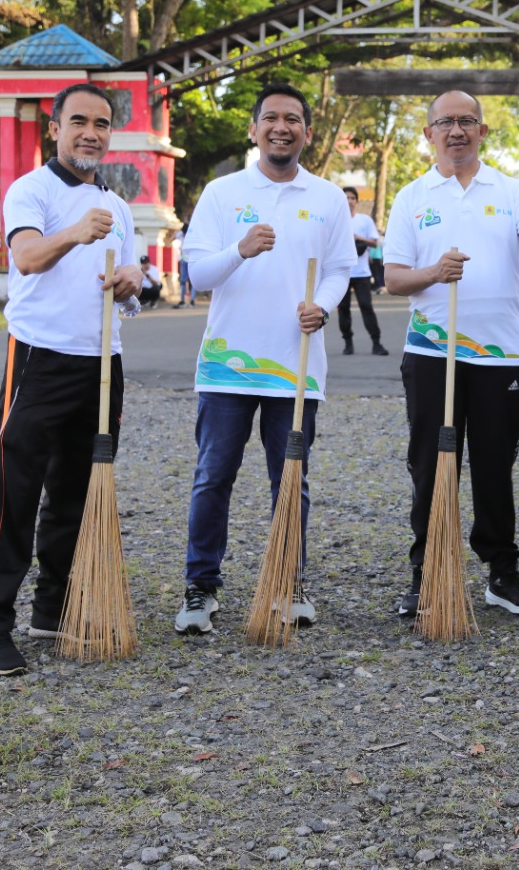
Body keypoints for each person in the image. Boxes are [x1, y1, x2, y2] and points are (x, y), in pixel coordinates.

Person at [0, 82, 143, 676]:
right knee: (16, 492)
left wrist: (131, 282)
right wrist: (74, 233)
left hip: (102, 362)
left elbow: (126, 284)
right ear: (56, 127)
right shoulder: (32, 190)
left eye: (101, 123)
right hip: (39, 358)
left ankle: (52, 609)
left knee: (76, 491)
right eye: (78, 122)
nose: (90, 132)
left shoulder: (116, 206)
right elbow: (28, 257)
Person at [174, 84, 355, 634]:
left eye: (293, 119)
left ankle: (288, 580)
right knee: (213, 477)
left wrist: (321, 309)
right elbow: (197, 274)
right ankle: (201, 587)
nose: (282, 127)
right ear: (253, 130)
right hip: (229, 365)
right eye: (271, 118)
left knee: (291, 479)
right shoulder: (223, 192)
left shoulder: (326, 197)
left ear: (306, 132)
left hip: (295, 366)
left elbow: (340, 270)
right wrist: (240, 249)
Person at [384, 90, 519, 617]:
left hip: (498, 353)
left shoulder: (511, 191)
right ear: (429, 133)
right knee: (432, 464)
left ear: (483, 131)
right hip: (433, 352)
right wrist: (435, 273)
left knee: (493, 465)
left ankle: (501, 572)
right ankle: (427, 572)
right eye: (446, 123)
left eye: (467, 122)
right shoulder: (412, 196)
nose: (456, 131)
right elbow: (394, 278)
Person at [337, 186, 388, 355]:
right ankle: (348, 343)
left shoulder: (365, 220)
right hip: (342, 273)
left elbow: (375, 243)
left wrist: (359, 238)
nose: (349, 201)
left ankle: (377, 343)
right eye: (346, 198)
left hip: (362, 273)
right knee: (343, 309)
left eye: (352, 198)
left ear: (357, 201)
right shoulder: (336, 220)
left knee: (366, 306)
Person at [173, 226, 196, 308]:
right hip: (192, 259)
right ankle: (192, 300)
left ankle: (182, 300)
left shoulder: (181, 234)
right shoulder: (193, 234)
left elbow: (173, 237)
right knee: (193, 282)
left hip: (184, 259)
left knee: (183, 281)